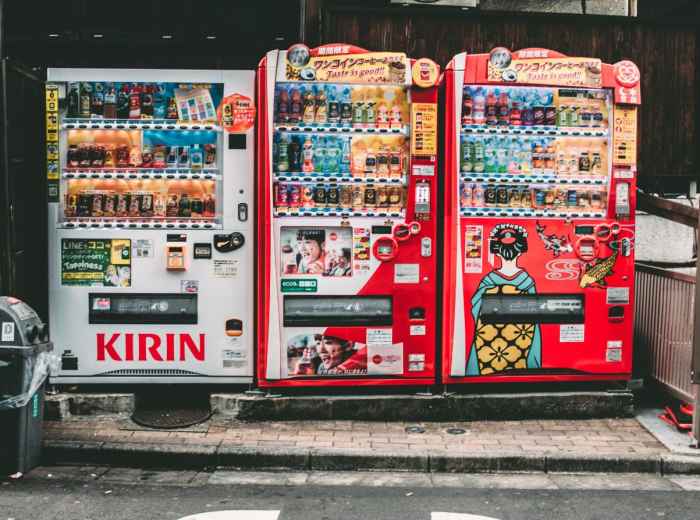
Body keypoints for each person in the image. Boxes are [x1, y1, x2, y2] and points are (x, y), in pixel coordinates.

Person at [466, 224, 541, 376]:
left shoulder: (488, 281)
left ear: (496, 251)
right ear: (521, 250)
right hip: (520, 347)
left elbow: (475, 308)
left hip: (487, 351)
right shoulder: (527, 281)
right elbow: (536, 316)